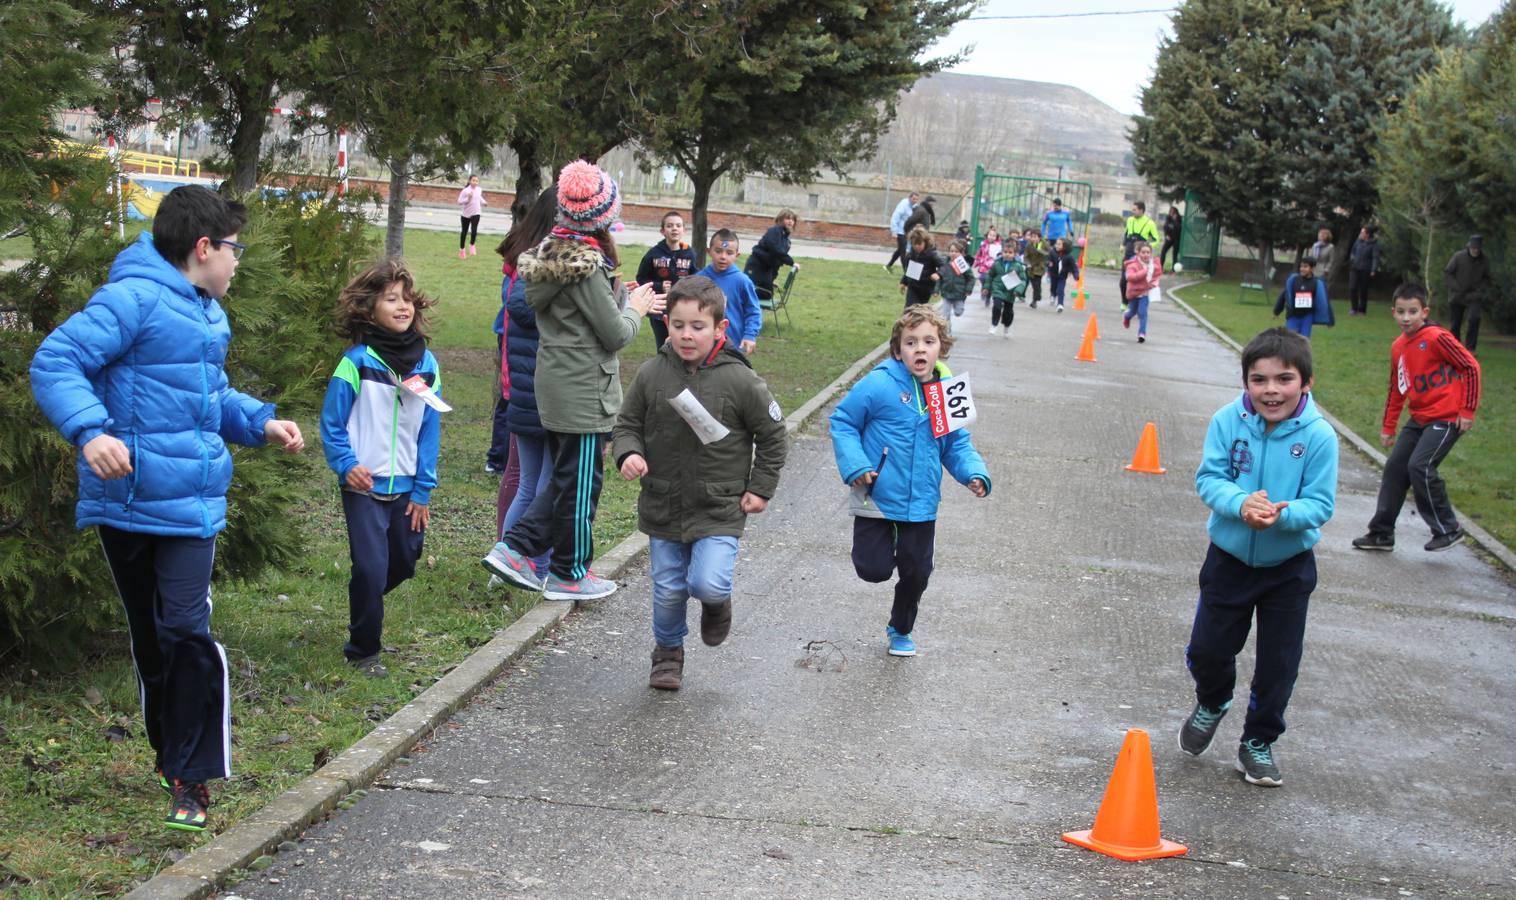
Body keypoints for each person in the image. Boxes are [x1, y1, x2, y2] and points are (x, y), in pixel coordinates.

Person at [28, 184, 306, 831]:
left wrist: (259, 422)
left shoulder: (207, 312)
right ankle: (169, 754)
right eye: (234, 249)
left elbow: (206, 398)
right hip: (125, 503)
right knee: (152, 641)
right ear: (203, 248)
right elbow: (57, 360)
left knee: (185, 632)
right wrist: (91, 432)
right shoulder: (133, 299)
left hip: (190, 507)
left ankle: (193, 776)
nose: (238, 262)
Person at [482, 161, 661, 601]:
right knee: (579, 487)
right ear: (603, 215)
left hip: (556, 382)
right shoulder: (587, 267)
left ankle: (538, 557)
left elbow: (576, 319)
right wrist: (636, 305)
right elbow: (616, 334)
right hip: (584, 389)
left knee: (569, 480)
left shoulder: (551, 258)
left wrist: (616, 294)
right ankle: (557, 567)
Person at [613, 276, 789, 690]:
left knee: (707, 581)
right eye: (677, 325)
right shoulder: (652, 373)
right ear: (667, 325)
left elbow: (774, 435)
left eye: (697, 327)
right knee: (668, 589)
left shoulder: (740, 380)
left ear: (720, 329)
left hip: (720, 505)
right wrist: (629, 453)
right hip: (664, 504)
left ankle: (716, 602)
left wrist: (760, 487)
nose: (686, 335)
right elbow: (627, 424)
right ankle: (668, 653)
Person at [1180, 327, 1338, 788]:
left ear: (1305, 382)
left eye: (1284, 379)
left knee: (1278, 662)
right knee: (1208, 650)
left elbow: (1320, 505)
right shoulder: (1228, 421)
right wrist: (1240, 503)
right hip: (1228, 558)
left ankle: (1258, 742)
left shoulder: (1319, 437)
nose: (1272, 390)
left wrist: (1285, 515)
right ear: (1245, 382)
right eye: (1259, 379)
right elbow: (1210, 478)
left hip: (1288, 566)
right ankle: (1212, 701)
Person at [829, 305, 990, 657]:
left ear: (941, 348)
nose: (920, 348)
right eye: (911, 342)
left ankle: (901, 628)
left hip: (921, 501)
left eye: (928, 341)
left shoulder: (949, 391)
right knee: (873, 570)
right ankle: (882, 560)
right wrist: (856, 464)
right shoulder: (878, 383)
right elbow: (843, 422)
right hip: (878, 495)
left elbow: (956, 445)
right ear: (897, 349)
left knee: (917, 573)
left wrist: (974, 473)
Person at [320, 260, 441, 680]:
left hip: (408, 487)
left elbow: (429, 429)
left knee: (405, 561)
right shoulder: (355, 363)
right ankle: (363, 650)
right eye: (391, 299)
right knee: (370, 568)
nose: (402, 305)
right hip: (364, 485)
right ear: (369, 309)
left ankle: (365, 599)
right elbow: (332, 424)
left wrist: (423, 488)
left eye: (407, 298)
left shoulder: (427, 363)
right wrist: (346, 465)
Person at [1352, 283, 1481, 554]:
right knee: (1395, 469)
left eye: (1413, 311)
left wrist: (1467, 410)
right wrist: (1388, 427)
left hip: (1446, 418)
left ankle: (1448, 528)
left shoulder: (1437, 337)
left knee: (1420, 466)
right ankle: (1381, 534)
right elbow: (1397, 388)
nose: (1406, 317)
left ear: (1425, 312)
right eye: (1401, 312)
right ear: (1393, 313)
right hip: (1419, 418)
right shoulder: (1398, 347)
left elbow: (1470, 366)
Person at [497, 186, 560, 568]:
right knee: (544, 485)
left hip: (522, 390)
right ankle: (534, 562)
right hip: (546, 392)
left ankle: (505, 559)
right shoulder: (547, 269)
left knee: (527, 482)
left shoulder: (523, 264)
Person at [634, 210, 697, 349]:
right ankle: (664, 367)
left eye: (678, 225)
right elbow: (641, 278)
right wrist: (659, 285)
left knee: (681, 342)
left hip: (683, 307)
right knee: (663, 344)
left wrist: (687, 287)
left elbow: (696, 278)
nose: (674, 228)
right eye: (670, 226)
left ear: (684, 230)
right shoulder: (653, 254)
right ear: (662, 231)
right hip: (660, 309)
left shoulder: (689, 254)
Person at [696, 228, 763, 354]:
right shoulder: (698, 279)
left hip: (733, 345)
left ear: (737, 255)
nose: (723, 257)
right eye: (718, 251)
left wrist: (750, 335)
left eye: (729, 253)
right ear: (709, 251)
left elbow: (753, 311)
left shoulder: (742, 281)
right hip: (703, 344)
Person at [1444, 235, 1491, 352]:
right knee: (1455, 323)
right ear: (1469, 246)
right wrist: (1457, 288)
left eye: (1477, 248)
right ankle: (1455, 348)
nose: (1475, 250)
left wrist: (1479, 291)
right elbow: (1448, 273)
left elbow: (1487, 278)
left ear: (1480, 248)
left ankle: (1470, 348)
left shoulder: (1484, 260)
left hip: (1474, 296)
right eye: (1473, 247)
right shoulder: (1458, 257)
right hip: (1457, 295)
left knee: (1474, 319)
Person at [744, 208, 800, 301]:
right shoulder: (774, 231)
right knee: (747, 289)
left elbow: (777, 262)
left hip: (766, 270)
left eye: (793, 219)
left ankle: (750, 305)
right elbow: (775, 250)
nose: (790, 221)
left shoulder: (787, 241)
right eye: (787, 218)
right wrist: (791, 262)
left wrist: (772, 280)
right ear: (780, 219)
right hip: (756, 266)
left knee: (767, 295)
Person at [1271, 256, 1334, 338]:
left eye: (1305, 267)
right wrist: (1276, 311)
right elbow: (1284, 295)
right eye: (1301, 266)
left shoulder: (1316, 283)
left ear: (1312, 268)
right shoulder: (1293, 280)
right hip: (1293, 316)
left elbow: (1324, 302)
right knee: (1289, 339)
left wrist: (1329, 320)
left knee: (1304, 340)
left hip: (1307, 317)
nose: (1302, 269)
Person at [1118, 201, 1161, 309]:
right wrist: (1123, 245)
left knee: (1139, 283)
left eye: (1135, 210)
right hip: (1128, 253)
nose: (1132, 211)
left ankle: (1137, 305)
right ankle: (1124, 302)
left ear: (1141, 210)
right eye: (1132, 209)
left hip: (1140, 257)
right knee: (1123, 280)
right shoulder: (1130, 220)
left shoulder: (1150, 223)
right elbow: (1126, 234)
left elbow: (1157, 240)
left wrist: (1146, 247)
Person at [983, 239, 1028, 336]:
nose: (1007, 254)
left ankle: (1006, 326)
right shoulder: (997, 264)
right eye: (1005, 252)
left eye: (1010, 252)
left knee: (1008, 312)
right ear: (1002, 252)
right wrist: (986, 287)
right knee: (997, 306)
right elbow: (990, 275)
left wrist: (1018, 291)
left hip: (1011, 291)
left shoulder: (1018, 266)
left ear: (1015, 254)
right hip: (997, 288)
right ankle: (994, 324)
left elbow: (1023, 280)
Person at [1122, 240, 1163, 343]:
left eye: (1148, 252)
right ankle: (1127, 317)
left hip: (1145, 293)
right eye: (1143, 252)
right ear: (1138, 253)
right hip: (1134, 293)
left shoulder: (1153, 266)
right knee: (1132, 311)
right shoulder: (1132, 265)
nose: (1146, 255)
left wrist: (1154, 284)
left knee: (1142, 313)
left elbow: (1156, 276)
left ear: (1151, 254)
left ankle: (1142, 334)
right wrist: (1144, 272)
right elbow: (1130, 277)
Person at [938, 239, 976, 333]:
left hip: (959, 294)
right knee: (945, 315)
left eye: (956, 251)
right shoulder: (944, 264)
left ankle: (960, 308)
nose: (953, 253)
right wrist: (936, 290)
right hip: (946, 293)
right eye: (951, 251)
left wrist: (968, 289)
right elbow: (939, 277)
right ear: (948, 252)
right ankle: (947, 331)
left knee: (958, 313)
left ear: (961, 253)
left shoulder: (963, 265)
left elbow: (971, 278)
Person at [899, 225, 942, 308]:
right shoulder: (910, 256)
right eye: (914, 244)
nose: (917, 246)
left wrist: (938, 274)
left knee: (920, 309)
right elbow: (908, 271)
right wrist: (903, 282)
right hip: (913, 287)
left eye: (919, 244)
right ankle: (908, 320)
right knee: (909, 307)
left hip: (926, 288)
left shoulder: (932, 255)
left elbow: (944, 266)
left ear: (925, 242)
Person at [1347, 226, 1380, 316]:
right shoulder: (1358, 242)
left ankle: (1362, 309)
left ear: (1367, 234)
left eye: (1363, 232)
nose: (1361, 234)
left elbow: (1375, 258)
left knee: (1363, 290)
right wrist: (1352, 260)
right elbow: (1353, 252)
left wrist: (1373, 269)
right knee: (1352, 288)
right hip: (1354, 268)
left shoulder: (1374, 244)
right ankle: (1354, 308)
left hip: (1365, 269)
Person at [885, 191, 919, 272]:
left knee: (900, 250)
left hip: (907, 232)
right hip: (900, 231)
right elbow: (895, 217)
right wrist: (894, 231)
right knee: (903, 251)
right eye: (913, 199)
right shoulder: (903, 205)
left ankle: (888, 266)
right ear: (909, 198)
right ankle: (906, 271)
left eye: (916, 199)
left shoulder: (915, 206)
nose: (915, 201)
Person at [1047, 237, 1080, 313]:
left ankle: (1060, 304)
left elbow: (1074, 267)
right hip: (1054, 275)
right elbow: (1047, 259)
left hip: (1062, 276)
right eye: (1056, 244)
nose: (1057, 246)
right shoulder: (1052, 252)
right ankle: (1053, 295)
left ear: (1065, 246)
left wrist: (1076, 275)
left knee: (1060, 290)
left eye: (1059, 244)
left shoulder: (1069, 257)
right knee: (1053, 287)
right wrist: (1048, 263)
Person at [458, 174, 486, 259]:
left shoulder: (479, 189)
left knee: (474, 230)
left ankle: (472, 245)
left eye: (477, 181)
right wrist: (468, 199)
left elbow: (479, 198)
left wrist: (484, 202)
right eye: (473, 180)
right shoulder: (465, 191)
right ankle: (462, 250)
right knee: (464, 232)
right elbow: (459, 202)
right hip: (466, 215)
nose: (475, 182)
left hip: (476, 213)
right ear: (470, 181)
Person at [972, 226, 1003, 304]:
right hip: (984, 265)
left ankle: (988, 296)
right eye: (990, 235)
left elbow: (1000, 256)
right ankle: (983, 289)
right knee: (983, 278)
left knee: (990, 281)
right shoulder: (983, 244)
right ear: (987, 235)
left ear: (996, 237)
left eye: (993, 236)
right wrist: (977, 261)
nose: (991, 237)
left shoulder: (998, 246)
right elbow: (980, 253)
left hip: (993, 265)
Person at [1022, 228, 1047, 309]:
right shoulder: (1029, 245)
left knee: (1037, 284)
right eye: (1032, 236)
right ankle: (1035, 299)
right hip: (1031, 268)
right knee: (1034, 284)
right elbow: (1026, 256)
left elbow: (1048, 253)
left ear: (1039, 237)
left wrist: (1040, 250)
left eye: (1035, 237)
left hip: (1040, 267)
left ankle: (1035, 299)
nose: (1033, 238)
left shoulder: (1044, 244)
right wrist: (1027, 263)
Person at [1160, 205, 1182, 270]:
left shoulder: (1179, 219)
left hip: (1176, 239)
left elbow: (1178, 228)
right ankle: (1161, 267)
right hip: (1169, 238)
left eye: (1173, 212)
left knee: (1174, 254)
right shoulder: (1168, 218)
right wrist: (1166, 235)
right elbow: (1165, 227)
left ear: (1176, 213)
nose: (1171, 214)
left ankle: (1174, 269)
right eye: (1170, 212)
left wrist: (1175, 220)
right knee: (1163, 251)